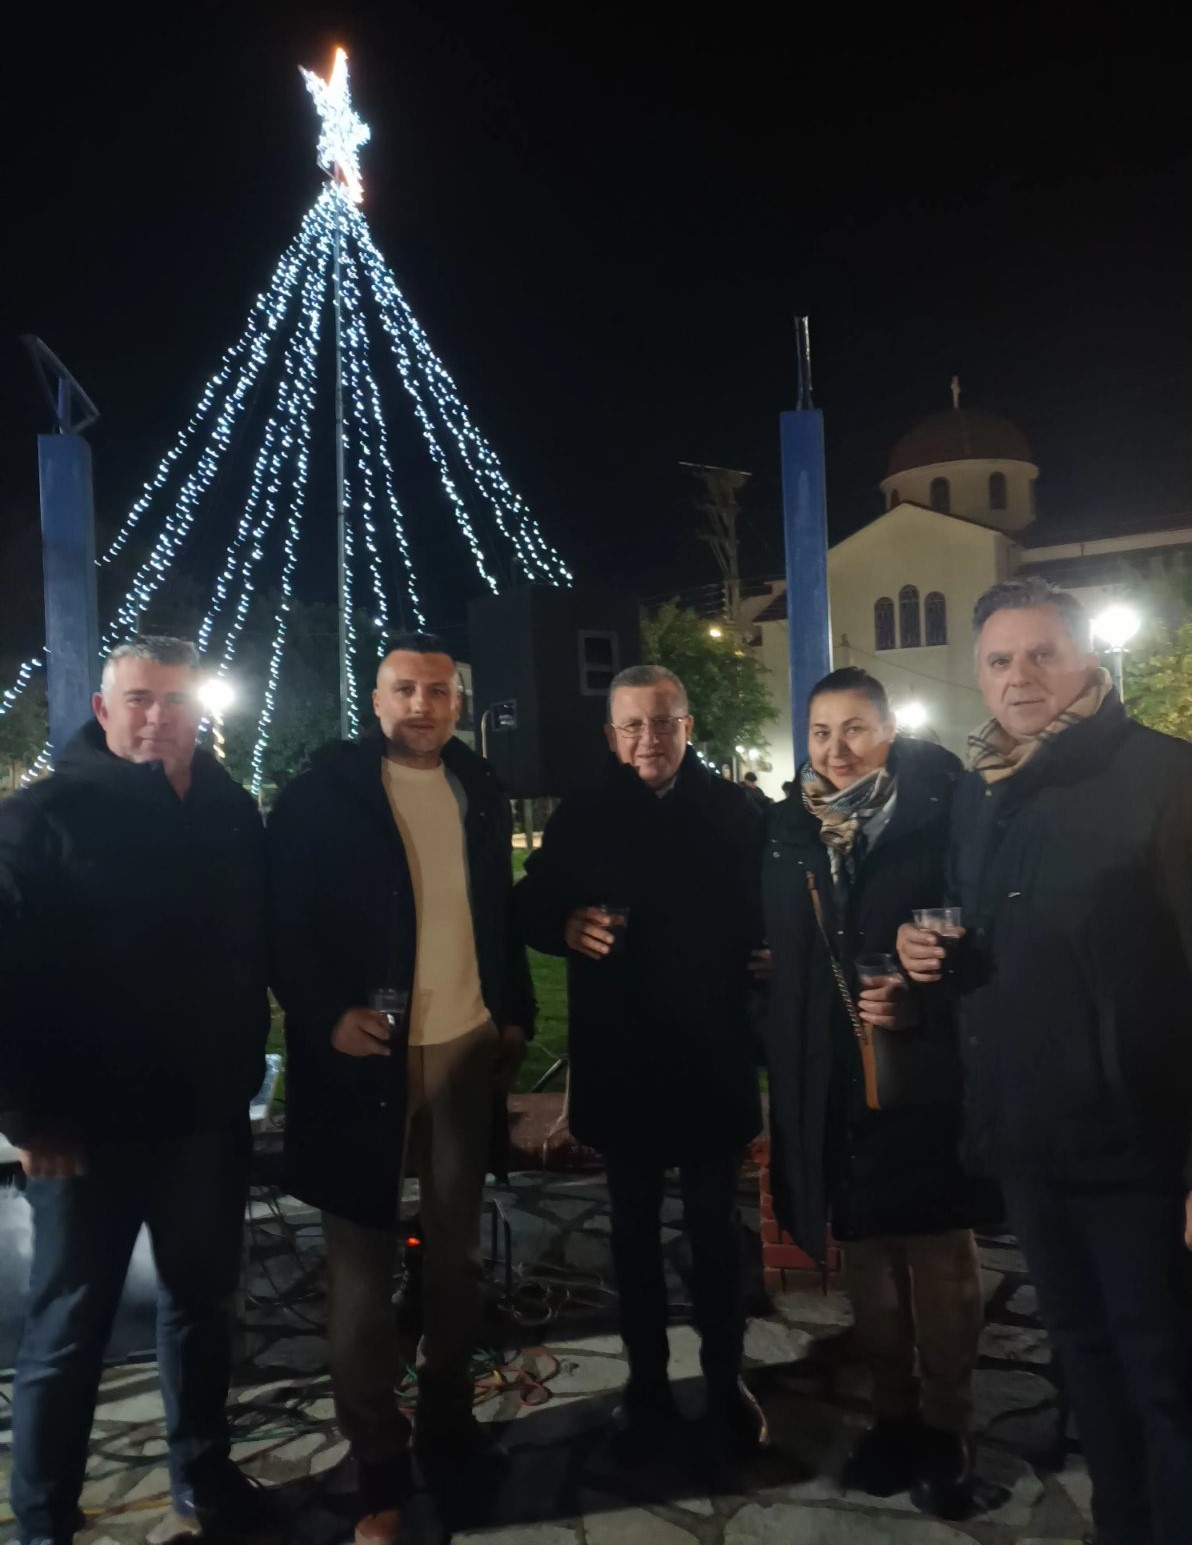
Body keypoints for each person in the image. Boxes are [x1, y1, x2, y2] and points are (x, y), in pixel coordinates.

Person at [898, 577, 1192, 1545]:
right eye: (998, 659)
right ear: (978, 676)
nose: (1019, 675)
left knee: (1166, 1380)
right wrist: (925, 952)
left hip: (1138, 1149)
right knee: (1081, 1359)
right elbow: (994, 941)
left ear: (1086, 660)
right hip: (1027, 1136)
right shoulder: (986, 791)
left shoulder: (1165, 780)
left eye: (1041, 654)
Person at [0, 638, 270, 1545]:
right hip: (85, 1127)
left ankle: (203, 1472)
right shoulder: (44, 816)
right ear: (103, 708)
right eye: (140, 699)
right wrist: (24, 1112)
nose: (159, 717)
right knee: (68, 1327)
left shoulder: (229, 811)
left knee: (202, 1307)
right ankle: (44, 1520)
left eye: (178, 700)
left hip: (204, 1116)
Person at [268, 632, 534, 1545]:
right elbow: (282, 921)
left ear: (458, 702)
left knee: (456, 1257)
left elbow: (496, 910)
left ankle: (448, 1419)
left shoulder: (478, 787)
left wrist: (513, 1012)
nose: (422, 704)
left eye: (438, 691)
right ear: (376, 699)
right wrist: (323, 1015)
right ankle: (378, 1459)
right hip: (363, 1060)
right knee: (360, 1272)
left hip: (463, 1045)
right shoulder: (323, 794)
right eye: (405, 689)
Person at [513, 664, 767, 1459]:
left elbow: (778, 905)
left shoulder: (737, 810)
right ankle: (647, 1383)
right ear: (611, 734)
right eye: (632, 725)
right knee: (630, 1234)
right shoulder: (584, 813)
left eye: (661, 722)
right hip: (622, 1055)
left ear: (687, 725)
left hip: (711, 1056)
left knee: (716, 1233)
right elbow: (529, 902)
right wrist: (564, 923)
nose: (647, 738)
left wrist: (772, 951)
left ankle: (724, 1379)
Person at [759, 666, 992, 1519]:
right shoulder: (790, 829)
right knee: (867, 1260)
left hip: (924, 1070)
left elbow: (984, 935)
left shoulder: (944, 812)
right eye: (821, 732)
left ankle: (948, 1424)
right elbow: (773, 948)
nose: (837, 749)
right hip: (831, 1077)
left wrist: (923, 995)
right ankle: (893, 1415)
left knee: (937, 1254)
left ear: (889, 730)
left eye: (855, 728)